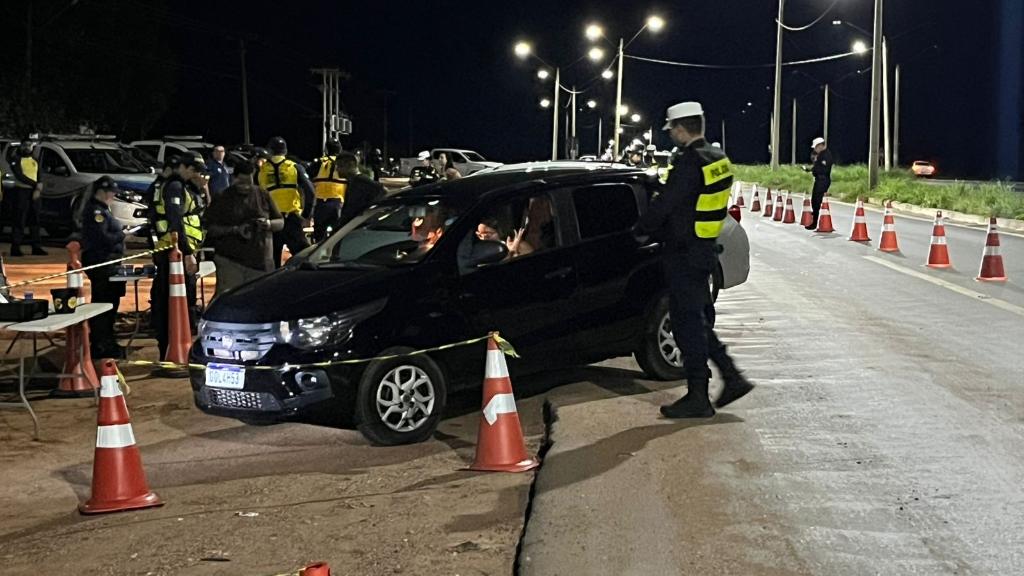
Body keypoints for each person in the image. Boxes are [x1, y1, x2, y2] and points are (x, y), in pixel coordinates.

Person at [633, 101, 753, 419]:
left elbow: (669, 204)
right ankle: (732, 376)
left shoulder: (689, 161)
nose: (671, 133)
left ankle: (698, 396)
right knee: (697, 320)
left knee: (687, 326)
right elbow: (695, 195)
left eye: (672, 129)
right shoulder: (718, 158)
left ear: (681, 129)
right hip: (704, 251)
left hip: (683, 254)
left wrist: (639, 231)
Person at [150, 155, 205, 362]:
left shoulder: (182, 186)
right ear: (184, 167)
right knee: (172, 302)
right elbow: (175, 220)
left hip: (176, 251)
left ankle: (174, 346)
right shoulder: (174, 186)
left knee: (180, 301)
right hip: (173, 254)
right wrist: (188, 253)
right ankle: (168, 347)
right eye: (193, 171)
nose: (195, 175)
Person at [205, 161, 284, 294]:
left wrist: (268, 224)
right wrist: (235, 230)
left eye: (249, 182)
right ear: (234, 178)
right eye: (242, 182)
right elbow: (211, 228)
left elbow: (280, 222)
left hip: (260, 262)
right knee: (229, 300)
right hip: (231, 262)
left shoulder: (262, 195)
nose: (246, 186)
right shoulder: (223, 197)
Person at [79, 176, 127, 358]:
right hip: (101, 262)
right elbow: (102, 238)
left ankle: (106, 339)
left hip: (110, 262)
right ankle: (100, 342)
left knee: (110, 303)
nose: (113, 197)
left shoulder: (102, 210)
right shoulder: (95, 212)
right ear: (102, 192)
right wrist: (122, 236)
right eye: (112, 193)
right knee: (103, 303)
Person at [258, 136, 315, 267]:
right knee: (304, 259)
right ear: (285, 151)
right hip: (292, 219)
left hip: (272, 221)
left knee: (272, 262)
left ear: (270, 151)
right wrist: (306, 214)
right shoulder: (294, 167)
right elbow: (310, 191)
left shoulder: (262, 170)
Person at [9, 143, 47, 256]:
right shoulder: (16, 160)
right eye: (25, 145)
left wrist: (39, 186)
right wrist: (36, 184)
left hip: (34, 193)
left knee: (35, 220)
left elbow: (40, 173)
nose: (27, 148)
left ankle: (36, 247)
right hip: (21, 192)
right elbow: (19, 175)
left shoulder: (34, 160)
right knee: (19, 220)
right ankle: (15, 247)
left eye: (29, 146)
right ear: (20, 147)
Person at [336, 152, 386, 230]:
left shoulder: (362, 181)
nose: (337, 169)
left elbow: (383, 191)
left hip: (359, 227)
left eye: (340, 166)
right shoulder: (352, 182)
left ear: (351, 165)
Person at [310, 139, 347, 242]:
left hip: (321, 204)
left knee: (318, 238)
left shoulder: (319, 163)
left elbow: (308, 181)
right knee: (337, 237)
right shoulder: (343, 164)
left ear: (326, 149)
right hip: (338, 204)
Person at [803, 137, 833, 230]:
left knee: (817, 201)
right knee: (815, 200)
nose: (815, 149)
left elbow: (823, 169)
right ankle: (815, 220)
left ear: (820, 146)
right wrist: (810, 169)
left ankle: (815, 222)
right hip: (819, 180)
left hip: (822, 180)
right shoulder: (821, 155)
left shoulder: (826, 155)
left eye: (816, 147)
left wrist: (815, 167)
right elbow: (817, 167)